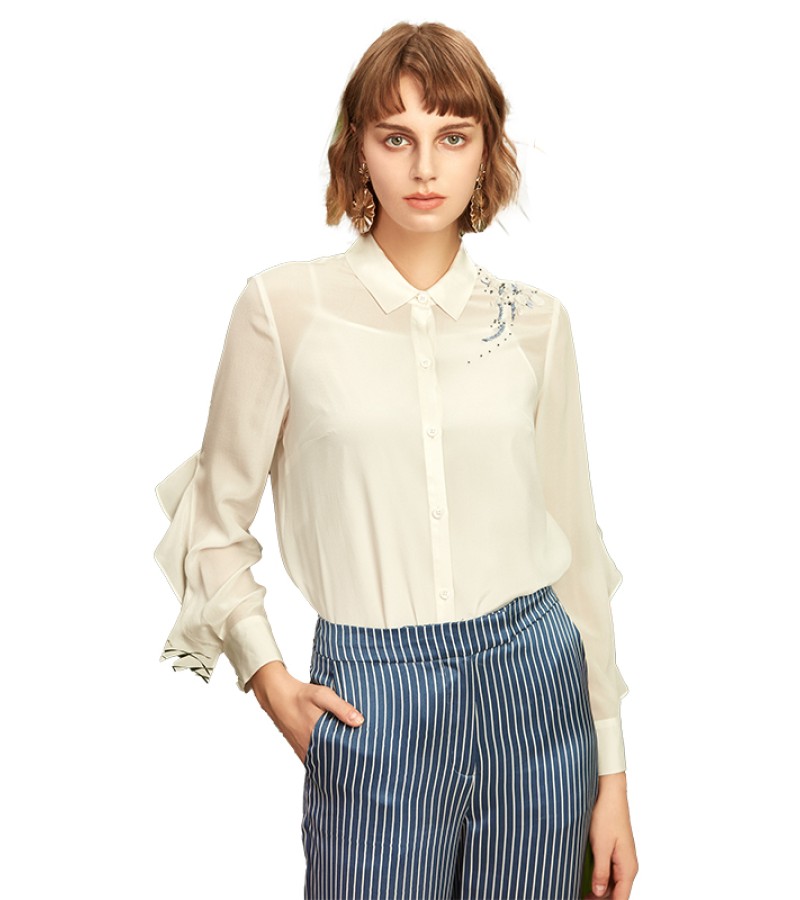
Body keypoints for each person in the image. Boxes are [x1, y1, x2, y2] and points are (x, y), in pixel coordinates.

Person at [153, 20, 638, 900]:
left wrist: (612, 777)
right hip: (374, 693)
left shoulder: (536, 322)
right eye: (396, 137)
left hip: (539, 685)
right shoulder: (282, 308)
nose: (424, 168)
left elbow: (574, 544)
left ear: (486, 152)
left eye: (452, 137)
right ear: (357, 150)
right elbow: (214, 525)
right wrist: (269, 677)